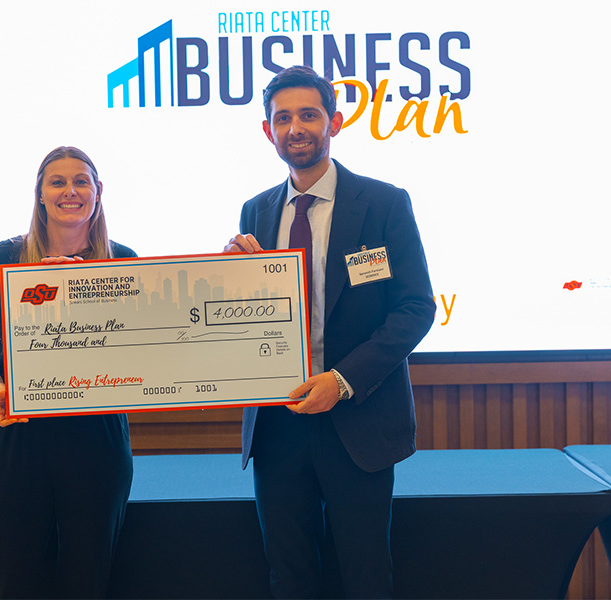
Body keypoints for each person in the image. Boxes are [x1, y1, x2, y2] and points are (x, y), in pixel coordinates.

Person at [225, 66, 435, 598]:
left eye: (309, 115)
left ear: (335, 122)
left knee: (366, 574)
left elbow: (415, 308)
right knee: (288, 574)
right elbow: (248, 322)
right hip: (278, 423)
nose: (296, 127)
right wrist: (229, 280)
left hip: (358, 418)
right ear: (268, 131)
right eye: (283, 118)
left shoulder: (385, 204)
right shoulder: (255, 211)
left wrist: (339, 380)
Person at [0, 146, 134, 599]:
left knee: (87, 579)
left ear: (98, 192)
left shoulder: (124, 261)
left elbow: (140, 351)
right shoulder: (5, 257)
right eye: (57, 182)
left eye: (81, 181)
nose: (70, 191)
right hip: (20, 439)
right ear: (39, 194)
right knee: (11, 580)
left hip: (98, 441)